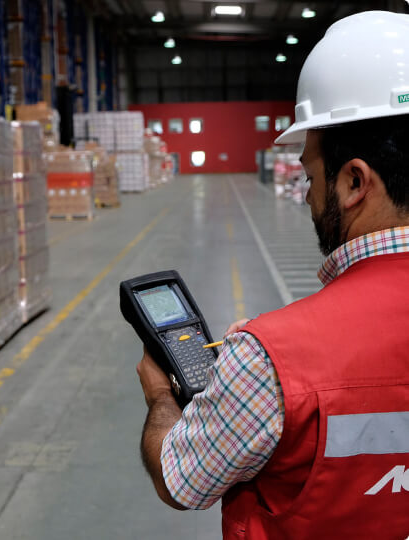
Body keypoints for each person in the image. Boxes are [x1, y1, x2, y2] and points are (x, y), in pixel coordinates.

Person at [136, 10, 409, 539]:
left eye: (310, 176)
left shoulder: (272, 358)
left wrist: (161, 396)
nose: (307, 196)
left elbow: (179, 480)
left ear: (354, 182)